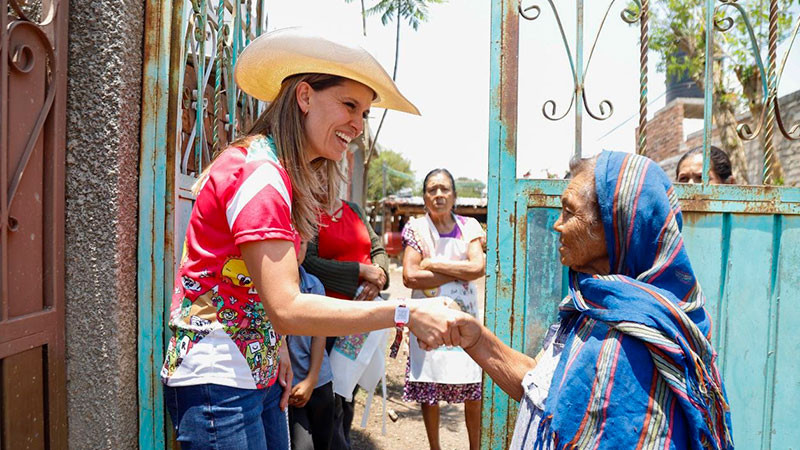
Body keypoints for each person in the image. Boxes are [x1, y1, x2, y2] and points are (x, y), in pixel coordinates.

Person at [160, 27, 462, 449]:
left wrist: (275, 347)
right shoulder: (260, 176)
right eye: (349, 105)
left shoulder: (274, 170)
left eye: (364, 114)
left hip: (254, 373)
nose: (357, 125)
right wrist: (404, 314)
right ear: (304, 97)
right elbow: (286, 305)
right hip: (220, 385)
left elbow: (263, 295)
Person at [451, 151, 733, 449]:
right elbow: (542, 388)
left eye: (569, 213)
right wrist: (476, 339)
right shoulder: (592, 305)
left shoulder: (636, 342)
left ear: (615, 227)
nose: (557, 225)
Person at [401, 168, 485, 450]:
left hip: (464, 318)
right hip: (428, 316)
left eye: (444, 189)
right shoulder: (416, 228)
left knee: (473, 384)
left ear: (454, 195)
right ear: (424, 197)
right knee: (430, 386)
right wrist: (460, 273)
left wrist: (432, 264)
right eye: (432, 189)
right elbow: (410, 276)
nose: (438, 195)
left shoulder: (470, 226)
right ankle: (434, 447)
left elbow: (477, 267)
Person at [302, 196, 389, 450]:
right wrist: (360, 272)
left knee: (349, 391)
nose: (324, 179)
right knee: (329, 395)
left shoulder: (354, 208)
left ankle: (344, 441)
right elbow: (308, 262)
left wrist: (377, 279)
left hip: (360, 318)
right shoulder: (308, 211)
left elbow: (378, 250)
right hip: (328, 318)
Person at [287, 240, 335, 450]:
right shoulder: (266, 287)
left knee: (323, 440)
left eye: (302, 243)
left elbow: (319, 335)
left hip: (319, 379)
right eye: (289, 242)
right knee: (302, 446)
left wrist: (311, 379)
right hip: (287, 388)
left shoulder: (314, 285)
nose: (297, 249)